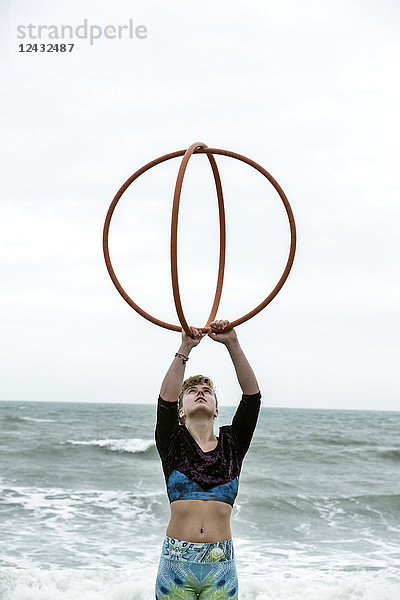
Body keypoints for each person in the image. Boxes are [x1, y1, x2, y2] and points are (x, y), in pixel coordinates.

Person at [155, 319, 261, 599]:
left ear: (216, 410)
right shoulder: (172, 443)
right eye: (191, 391)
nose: (200, 392)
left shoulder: (233, 443)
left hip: (220, 566)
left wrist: (232, 343)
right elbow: (165, 400)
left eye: (207, 391)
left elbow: (252, 397)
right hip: (176, 566)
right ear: (181, 411)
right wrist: (185, 346)